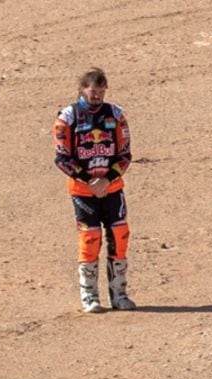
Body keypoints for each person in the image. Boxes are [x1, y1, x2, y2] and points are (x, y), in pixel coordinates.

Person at [53, 67, 135, 313]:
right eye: (92, 90)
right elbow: (61, 158)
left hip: (112, 188)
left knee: (120, 236)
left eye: (101, 90)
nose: (97, 95)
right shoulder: (67, 117)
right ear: (82, 89)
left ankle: (119, 294)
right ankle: (90, 296)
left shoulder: (116, 114)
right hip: (82, 190)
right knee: (90, 238)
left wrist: (106, 180)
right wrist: (90, 181)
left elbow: (125, 155)